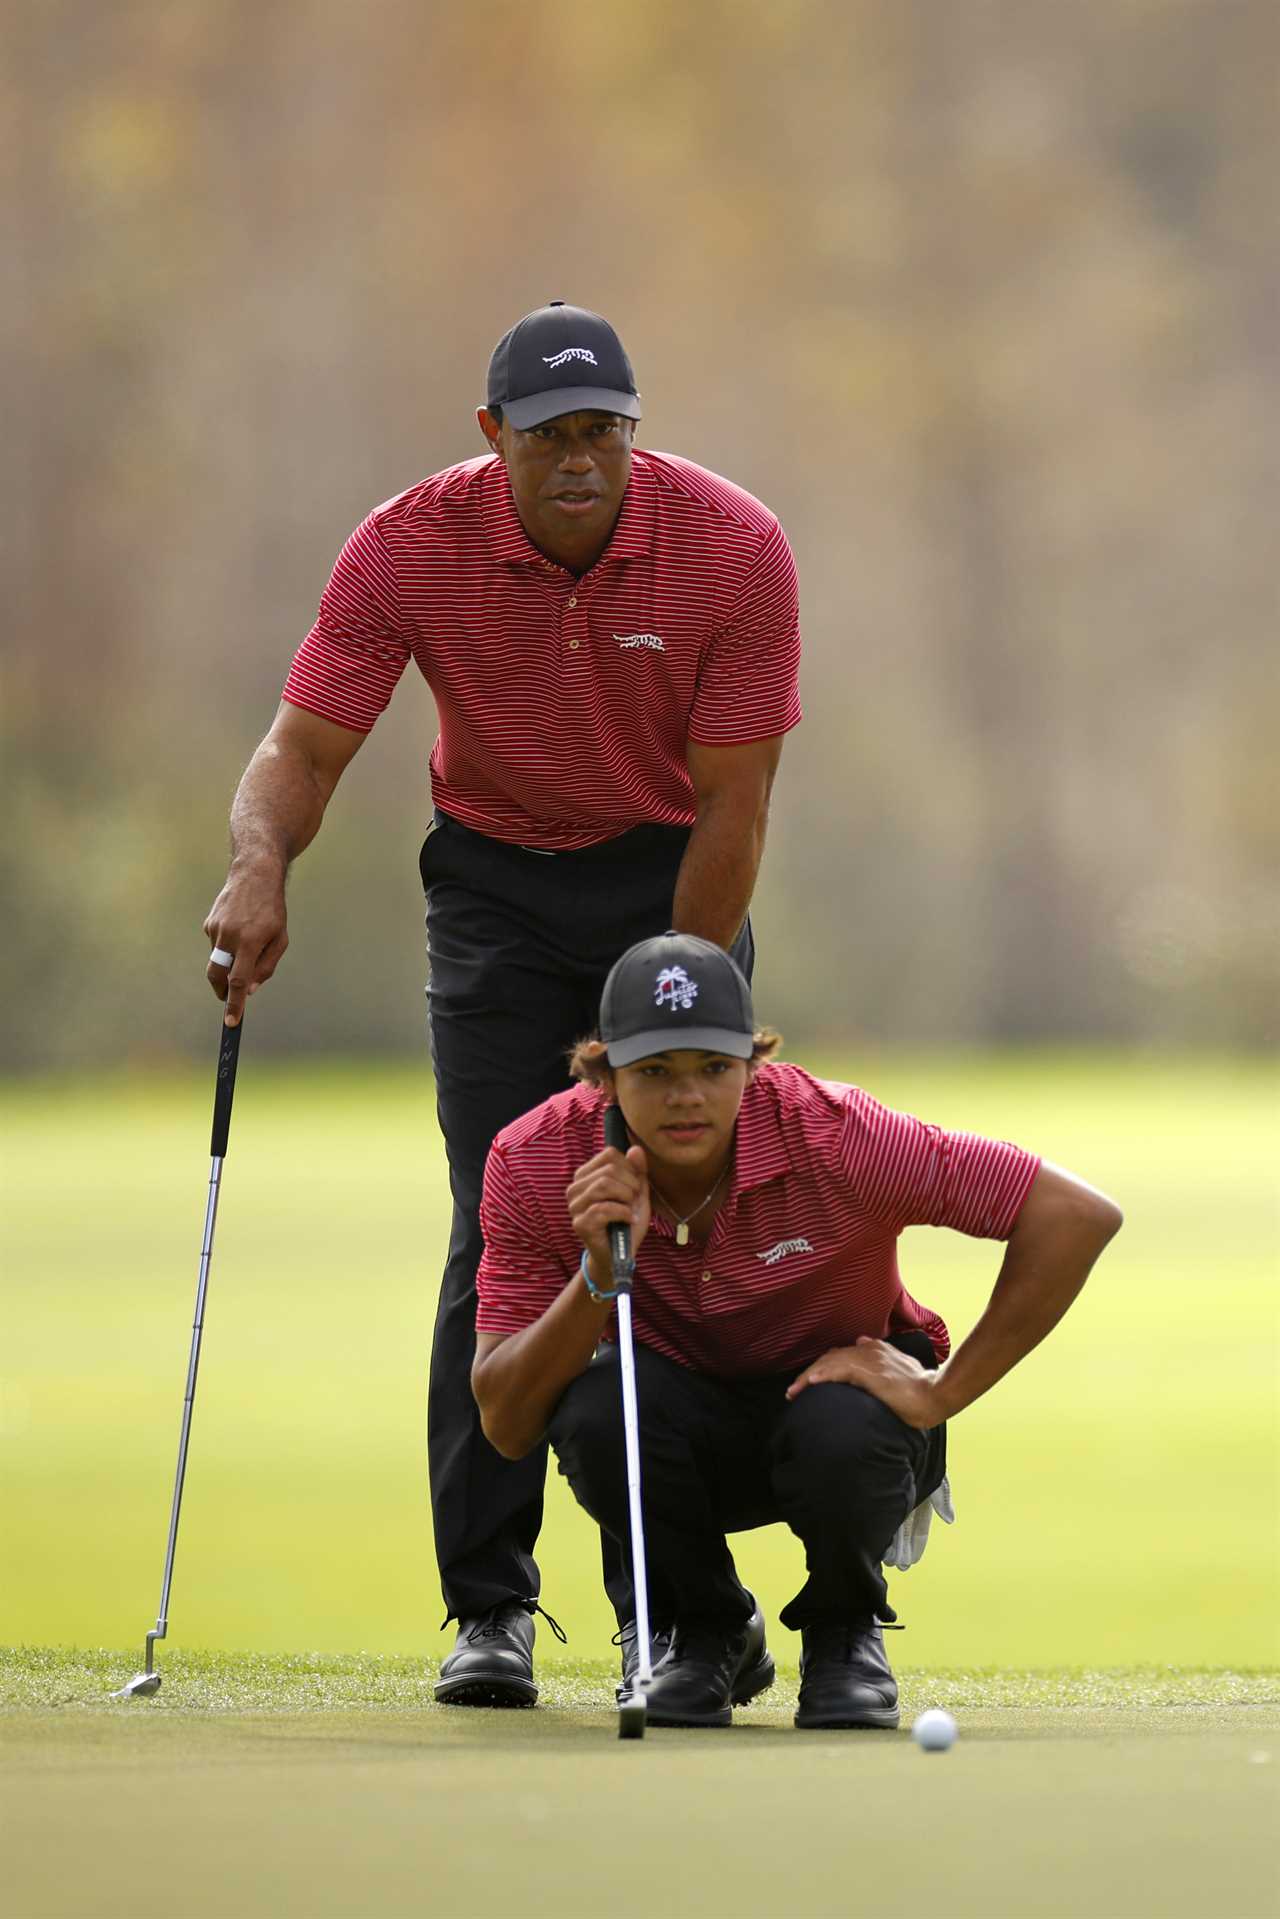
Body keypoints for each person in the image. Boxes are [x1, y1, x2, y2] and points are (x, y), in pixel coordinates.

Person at [201, 303, 802, 1706]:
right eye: (550, 437)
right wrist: (255, 868)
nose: (581, 460)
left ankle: (674, 1621)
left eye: (604, 432)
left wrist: (667, 1005)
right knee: (504, 1217)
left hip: (671, 885)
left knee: (656, 1220)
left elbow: (737, 803)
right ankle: (490, 1611)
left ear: (634, 435)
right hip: (493, 890)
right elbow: (302, 743)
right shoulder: (411, 542)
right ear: (496, 440)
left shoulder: (733, 547)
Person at [471, 933, 1123, 1729]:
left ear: (754, 1061)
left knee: (844, 1424)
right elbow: (506, 1424)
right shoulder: (535, 1160)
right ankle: (705, 1631)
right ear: (602, 1077)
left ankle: (845, 1632)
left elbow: (1075, 1214)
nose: (688, 1097)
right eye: (655, 1073)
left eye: (714, 1067)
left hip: (836, 1411)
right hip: (676, 1423)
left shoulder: (838, 1133)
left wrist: (941, 1392)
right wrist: (597, 1279)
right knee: (601, 1406)